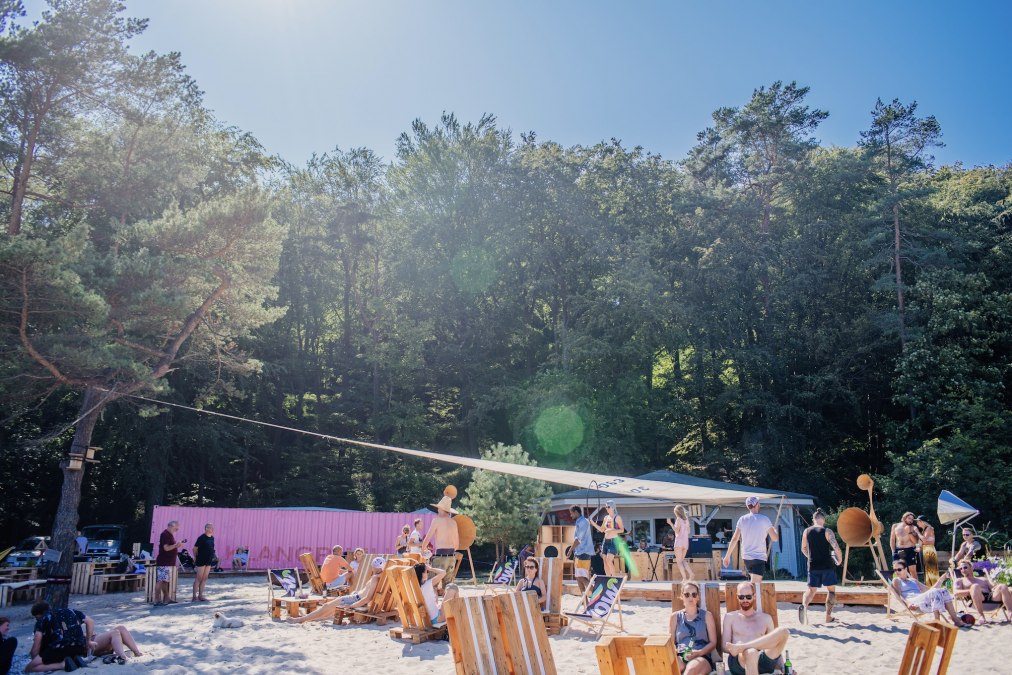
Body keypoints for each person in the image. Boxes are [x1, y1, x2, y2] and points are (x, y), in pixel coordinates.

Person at [287, 557, 388, 624]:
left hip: (355, 599)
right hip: (355, 596)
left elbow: (367, 598)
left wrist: (351, 606)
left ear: (374, 567)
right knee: (328, 607)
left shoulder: (375, 578)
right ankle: (308, 617)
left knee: (327, 606)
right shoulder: (381, 576)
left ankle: (300, 619)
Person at [722, 582, 791, 675]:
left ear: (754, 596)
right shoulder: (730, 617)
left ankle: (744, 646)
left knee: (783, 631)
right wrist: (738, 649)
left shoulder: (766, 618)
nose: (745, 600)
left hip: (764, 659)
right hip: (739, 661)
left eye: (748, 597)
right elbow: (724, 646)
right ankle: (744, 648)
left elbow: (774, 644)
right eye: (741, 597)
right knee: (751, 652)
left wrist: (782, 666)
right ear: (737, 597)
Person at [25, 601, 94, 673]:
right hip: (79, 647)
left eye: (36, 617)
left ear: (38, 615)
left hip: (59, 649)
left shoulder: (42, 619)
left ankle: (63, 665)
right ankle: (75, 658)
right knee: (63, 653)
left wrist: (35, 658)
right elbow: (90, 621)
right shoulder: (70, 610)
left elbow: (37, 641)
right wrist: (88, 641)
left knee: (29, 668)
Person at [799, 508, 843, 624]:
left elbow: (803, 548)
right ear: (823, 519)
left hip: (813, 565)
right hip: (827, 565)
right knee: (831, 591)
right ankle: (828, 617)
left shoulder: (806, 531)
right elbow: (836, 547)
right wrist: (840, 559)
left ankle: (804, 606)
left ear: (813, 519)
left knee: (811, 590)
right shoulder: (827, 531)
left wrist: (810, 557)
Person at [891, 560, 967, 625]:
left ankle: (955, 620)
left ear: (905, 569)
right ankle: (937, 621)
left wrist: (941, 579)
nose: (897, 572)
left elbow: (929, 590)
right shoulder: (896, 580)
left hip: (924, 600)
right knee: (935, 592)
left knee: (944, 590)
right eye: (895, 570)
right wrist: (908, 604)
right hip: (913, 602)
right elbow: (899, 596)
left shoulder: (913, 580)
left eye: (899, 569)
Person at [723, 497, 779, 584]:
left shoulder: (742, 519)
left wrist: (727, 556)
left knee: (754, 583)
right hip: (759, 557)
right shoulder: (764, 519)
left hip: (746, 558)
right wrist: (775, 530)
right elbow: (775, 538)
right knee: (755, 585)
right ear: (757, 505)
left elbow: (734, 539)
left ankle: (749, 595)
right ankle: (748, 596)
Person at [669, 582, 717, 675]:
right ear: (682, 596)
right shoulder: (675, 617)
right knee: (673, 668)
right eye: (687, 594)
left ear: (698, 597)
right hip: (681, 655)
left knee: (690, 671)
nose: (690, 598)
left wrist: (699, 652)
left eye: (694, 594)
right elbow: (670, 643)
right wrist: (675, 652)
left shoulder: (707, 616)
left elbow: (713, 643)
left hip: (702, 656)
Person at [953, 560, 1012, 624]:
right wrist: (971, 590)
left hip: (992, 599)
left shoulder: (983, 579)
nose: (963, 570)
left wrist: (1005, 589)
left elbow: (993, 588)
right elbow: (956, 593)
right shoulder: (959, 581)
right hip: (975, 599)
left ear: (971, 568)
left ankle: (1010, 614)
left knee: (1002, 586)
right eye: (961, 569)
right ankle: (981, 615)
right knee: (975, 586)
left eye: (965, 567)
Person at [421, 494, 459, 584]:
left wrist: (422, 549)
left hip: (440, 555)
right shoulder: (453, 522)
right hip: (451, 555)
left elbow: (428, 538)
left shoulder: (436, 521)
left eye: (438, 508)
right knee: (448, 585)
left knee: (432, 583)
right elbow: (457, 544)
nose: (437, 509)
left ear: (441, 509)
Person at [155, 520, 186, 606]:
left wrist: (176, 545)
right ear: (171, 526)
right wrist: (176, 545)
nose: (177, 530)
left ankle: (167, 598)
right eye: (176, 528)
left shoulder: (169, 534)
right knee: (161, 580)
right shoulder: (165, 534)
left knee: (165, 581)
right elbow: (166, 548)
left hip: (167, 562)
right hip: (164, 561)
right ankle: (156, 600)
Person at [590, 500, 624, 577]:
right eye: (605, 507)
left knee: (609, 560)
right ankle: (608, 578)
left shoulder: (617, 518)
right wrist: (593, 523)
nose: (606, 508)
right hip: (605, 541)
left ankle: (614, 578)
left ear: (612, 507)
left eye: (608, 507)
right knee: (604, 560)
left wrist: (612, 530)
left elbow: (622, 530)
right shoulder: (606, 518)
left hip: (613, 541)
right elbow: (602, 529)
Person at [567, 505, 595, 594]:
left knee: (582, 577)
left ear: (576, 512)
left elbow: (578, 539)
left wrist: (570, 550)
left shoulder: (583, 522)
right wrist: (575, 553)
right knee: (578, 577)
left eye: (571, 514)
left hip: (584, 553)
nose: (571, 516)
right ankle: (585, 600)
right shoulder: (580, 521)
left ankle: (598, 594)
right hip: (580, 553)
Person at [890, 512, 921, 580]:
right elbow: (892, 539)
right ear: (904, 518)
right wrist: (893, 551)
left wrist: (909, 532)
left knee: (912, 571)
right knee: (897, 570)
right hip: (898, 550)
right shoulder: (895, 526)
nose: (910, 520)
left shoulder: (913, 527)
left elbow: (915, 542)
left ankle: (917, 588)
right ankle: (899, 587)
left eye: (912, 519)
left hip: (909, 550)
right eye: (909, 518)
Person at [667, 505, 693, 582]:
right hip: (685, 542)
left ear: (677, 512)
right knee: (682, 560)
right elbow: (689, 532)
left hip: (679, 542)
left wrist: (670, 523)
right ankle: (690, 573)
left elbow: (677, 531)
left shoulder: (678, 519)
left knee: (679, 562)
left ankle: (684, 578)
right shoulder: (687, 520)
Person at [192, 523, 215, 602]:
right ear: (205, 528)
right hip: (201, 559)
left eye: (211, 527)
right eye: (208, 527)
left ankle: (200, 595)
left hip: (208, 560)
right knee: (199, 578)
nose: (210, 529)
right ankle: (194, 596)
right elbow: (194, 548)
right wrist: (195, 557)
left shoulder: (212, 538)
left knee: (205, 578)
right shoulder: (201, 538)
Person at [915, 516, 939, 586]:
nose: (917, 523)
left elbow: (924, 540)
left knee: (931, 570)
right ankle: (929, 585)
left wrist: (917, 532)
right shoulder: (924, 530)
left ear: (922, 522)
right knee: (928, 570)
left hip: (929, 550)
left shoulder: (929, 528)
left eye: (918, 521)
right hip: (926, 550)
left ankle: (933, 586)